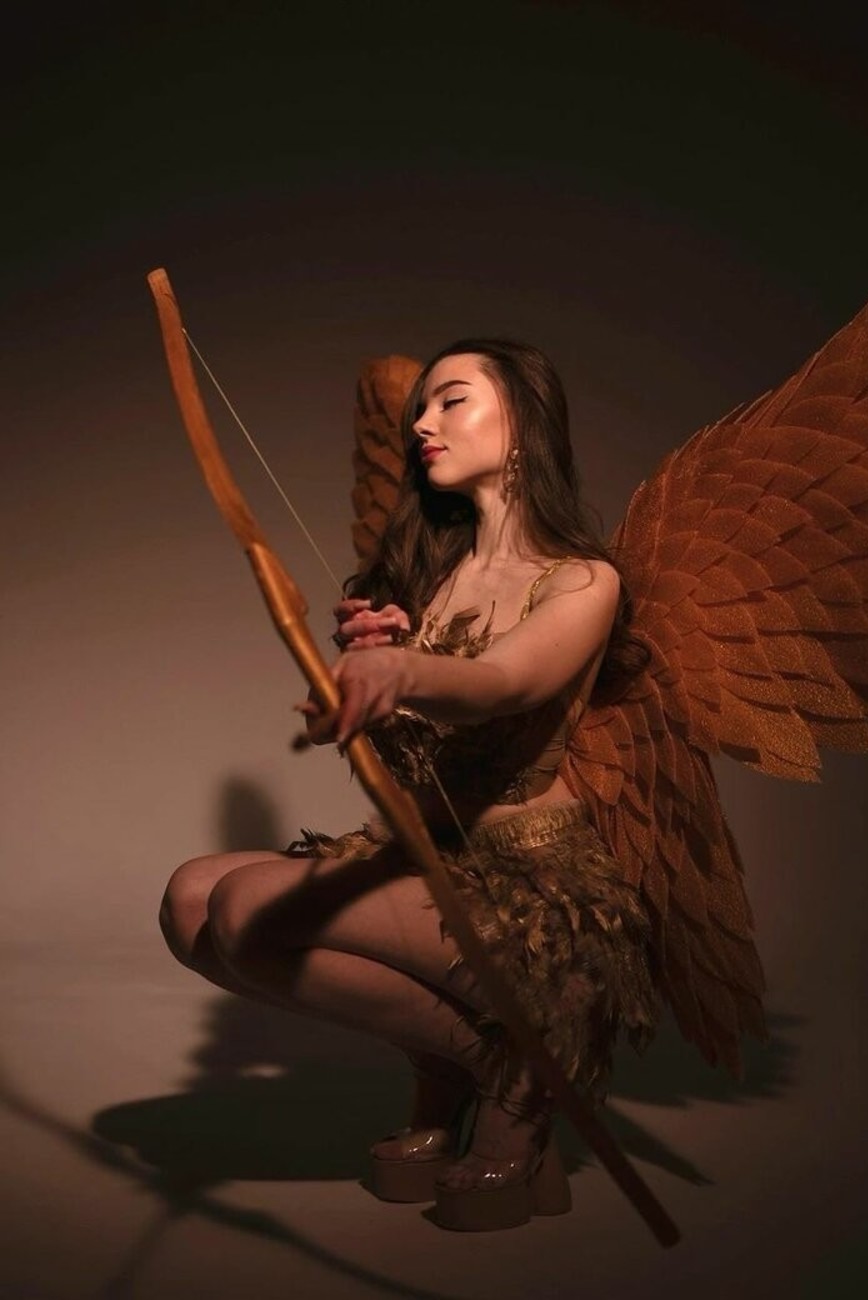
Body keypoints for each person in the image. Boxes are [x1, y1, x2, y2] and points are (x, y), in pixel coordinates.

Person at [158, 338, 659, 1232]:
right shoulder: (443, 574)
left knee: (243, 909)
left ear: (523, 425)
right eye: (419, 407)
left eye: (451, 401)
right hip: (425, 854)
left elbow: (504, 683)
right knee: (191, 898)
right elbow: (423, 749)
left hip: (526, 890)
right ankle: (485, 1060)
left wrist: (403, 671)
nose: (423, 423)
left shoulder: (584, 580)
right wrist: (382, 657)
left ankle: (521, 1076)